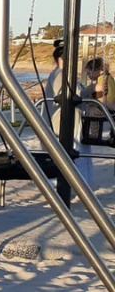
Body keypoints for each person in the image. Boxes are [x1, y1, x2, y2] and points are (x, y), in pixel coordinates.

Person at [44, 42, 94, 187]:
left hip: (64, 120)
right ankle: (70, 183)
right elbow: (72, 97)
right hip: (63, 121)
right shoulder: (60, 75)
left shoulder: (60, 74)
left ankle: (70, 182)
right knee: (69, 151)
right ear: (62, 59)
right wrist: (91, 89)